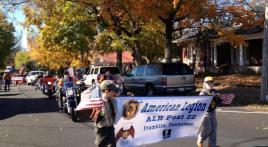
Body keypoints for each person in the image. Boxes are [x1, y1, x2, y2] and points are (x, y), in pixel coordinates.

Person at [197, 76, 222, 147]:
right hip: (206, 114)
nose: (210, 84)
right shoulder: (203, 93)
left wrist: (218, 97)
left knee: (214, 130)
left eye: (212, 83)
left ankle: (212, 145)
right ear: (204, 84)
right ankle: (200, 139)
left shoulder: (215, 91)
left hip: (213, 112)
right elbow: (201, 102)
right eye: (208, 83)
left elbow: (219, 101)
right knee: (208, 129)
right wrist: (211, 96)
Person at [94, 80, 119, 147]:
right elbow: (95, 117)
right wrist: (100, 112)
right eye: (113, 91)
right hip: (102, 129)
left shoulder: (113, 100)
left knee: (113, 145)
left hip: (110, 127)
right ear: (106, 91)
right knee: (100, 145)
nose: (115, 92)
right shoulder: (99, 101)